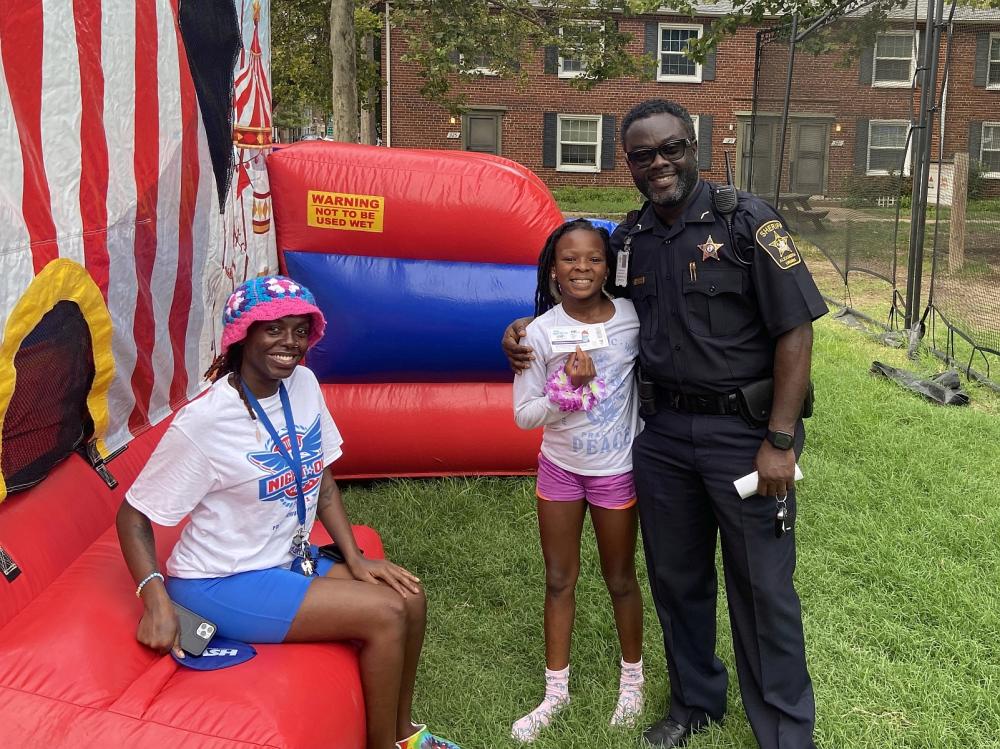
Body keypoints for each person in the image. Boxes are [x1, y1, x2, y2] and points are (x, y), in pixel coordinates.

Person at [503, 99, 827, 749]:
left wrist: (780, 440)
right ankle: (695, 701)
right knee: (677, 578)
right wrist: (524, 333)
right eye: (643, 155)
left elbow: (795, 330)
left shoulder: (746, 224)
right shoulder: (629, 241)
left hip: (744, 433)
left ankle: (786, 729)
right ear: (628, 162)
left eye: (671, 148)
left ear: (694, 145)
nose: (659, 164)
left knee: (762, 583)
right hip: (660, 437)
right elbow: (590, 306)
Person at [116, 275, 460, 749]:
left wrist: (355, 560)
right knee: (384, 612)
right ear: (242, 334)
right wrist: (154, 599)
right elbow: (133, 515)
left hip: (284, 559)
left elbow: (323, 481)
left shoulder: (303, 384)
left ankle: (403, 735)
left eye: (301, 331)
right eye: (274, 329)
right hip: (220, 579)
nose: (290, 343)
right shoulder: (207, 421)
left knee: (410, 597)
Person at [510, 220, 644, 742]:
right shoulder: (538, 332)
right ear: (553, 268)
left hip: (615, 471)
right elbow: (524, 415)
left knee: (621, 580)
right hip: (560, 469)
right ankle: (555, 692)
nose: (582, 268)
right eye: (569, 259)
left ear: (609, 266)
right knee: (559, 579)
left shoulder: (633, 319)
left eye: (593, 258)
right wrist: (566, 388)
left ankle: (631, 683)